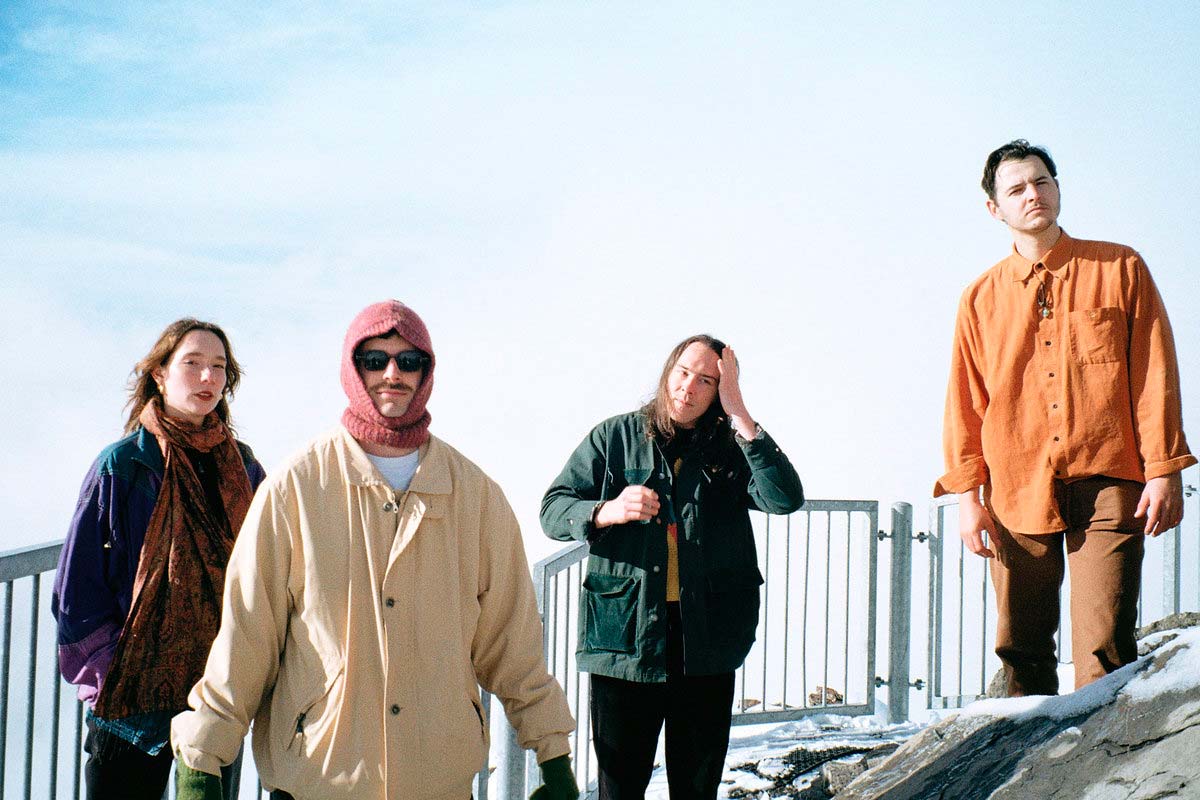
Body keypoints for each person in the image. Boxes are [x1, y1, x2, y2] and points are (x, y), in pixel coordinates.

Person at [171, 300, 578, 800]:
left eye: (409, 361)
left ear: (426, 372)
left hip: (438, 782)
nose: (392, 373)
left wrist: (554, 756)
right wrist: (201, 760)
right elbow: (246, 635)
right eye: (375, 360)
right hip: (318, 780)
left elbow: (514, 647)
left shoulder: (476, 496)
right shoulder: (296, 487)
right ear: (353, 368)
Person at [935, 139, 1196, 696]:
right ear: (995, 209)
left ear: (1057, 188)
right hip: (1015, 490)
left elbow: (1154, 373)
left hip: (1110, 482)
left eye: (1042, 182)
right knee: (1022, 650)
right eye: (1017, 189)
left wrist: (1164, 469)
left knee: (1106, 647)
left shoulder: (1120, 266)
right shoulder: (979, 298)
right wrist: (967, 500)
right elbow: (965, 402)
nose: (1033, 195)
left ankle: (1105, 752)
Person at [541, 334, 804, 799]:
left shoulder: (730, 446)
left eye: (706, 380)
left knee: (696, 788)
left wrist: (741, 414)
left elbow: (784, 498)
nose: (689, 387)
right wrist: (606, 510)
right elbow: (553, 510)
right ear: (668, 371)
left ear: (720, 390)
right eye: (683, 372)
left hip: (706, 639)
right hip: (625, 641)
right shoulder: (614, 437)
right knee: (620, 787)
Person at [52, 318, 265, 800]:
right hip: (130, 702)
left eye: (219, 367)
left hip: (213, 696)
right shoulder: (124, 465)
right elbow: (76, 590)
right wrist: (110, 672)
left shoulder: (243, 468)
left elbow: (268, 567)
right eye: (193, 363)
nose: (208, 377)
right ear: (160, 374)